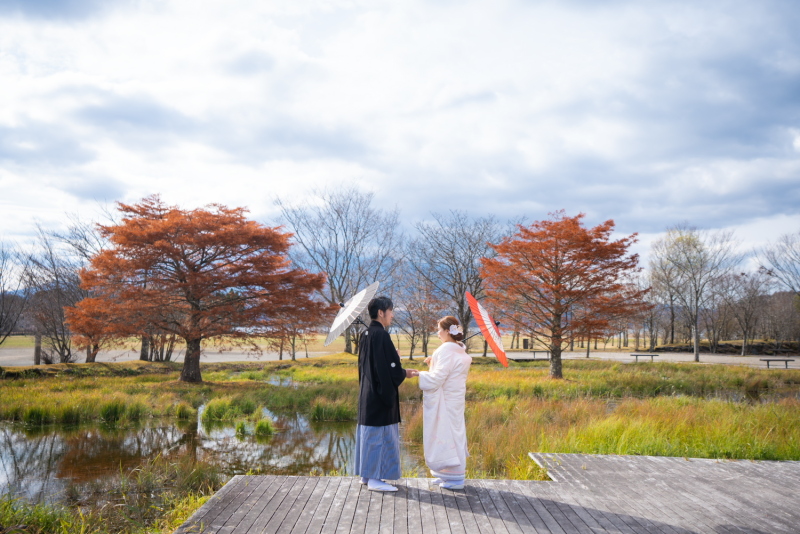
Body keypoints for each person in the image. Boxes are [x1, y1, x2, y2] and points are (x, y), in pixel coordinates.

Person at [354, 295, 418, 492]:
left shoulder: (366, 334)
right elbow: (387, 370)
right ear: (381, 312)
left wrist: (393, 357)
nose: (392, 315)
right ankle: (375, 479)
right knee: (379, 438)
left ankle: (367, 475)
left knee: (370, 436)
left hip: (368, 394)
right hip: (379, 396)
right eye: (390, 311)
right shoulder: (381, 335)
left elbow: (372, 366)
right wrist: (402, 371)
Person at [417, 315, 472, 490]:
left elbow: (438, 378)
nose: (438, 333)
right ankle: (448, 474)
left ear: (448, 331)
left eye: (440, 329)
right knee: (453, 432)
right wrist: (432, 364)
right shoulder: (459, 349)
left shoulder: (445, 349)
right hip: (455, 397)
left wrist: (421, 374)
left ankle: (454, 478)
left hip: (447, 399)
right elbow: (449, 372)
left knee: (444, 432)